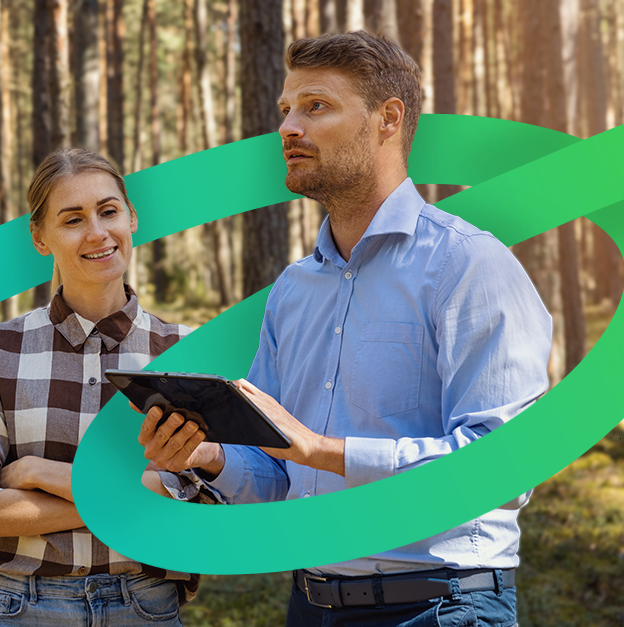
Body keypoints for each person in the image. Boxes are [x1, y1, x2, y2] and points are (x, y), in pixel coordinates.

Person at [139, 31, 551, 627]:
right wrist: (206, 456)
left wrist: (323, 451)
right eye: (285, 110)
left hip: (442, 606)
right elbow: (280, 470)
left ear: (388, 119)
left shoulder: (468, 266)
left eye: (316, 106)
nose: (287, 128)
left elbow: (499, 469)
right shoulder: (292, 291)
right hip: (311, 604)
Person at [0, 148, 216, 626]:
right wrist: (137, 497)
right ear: (41, 238)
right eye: (72, 219)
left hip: (145, 607)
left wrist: (39, 472)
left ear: (132, 218)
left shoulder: (183, 352)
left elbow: (202, 498)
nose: (97, 233)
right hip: (18, 605)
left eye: (108, 211)